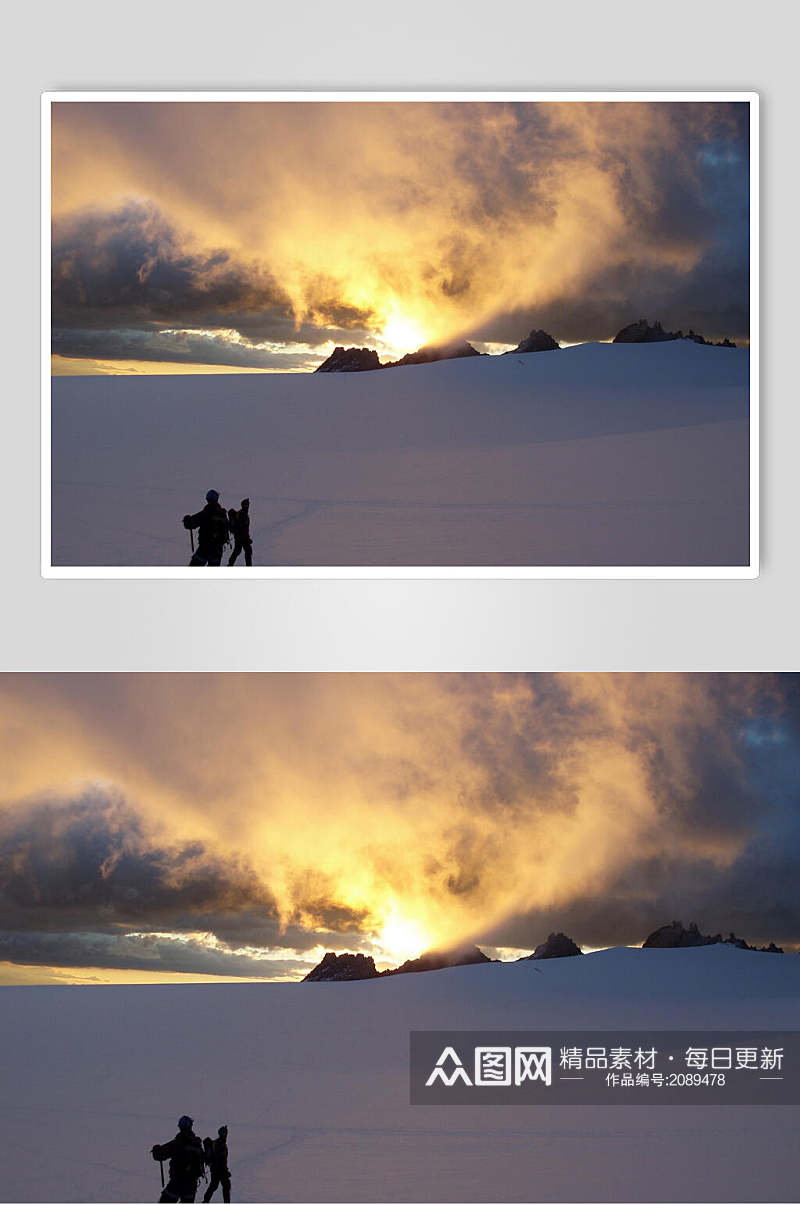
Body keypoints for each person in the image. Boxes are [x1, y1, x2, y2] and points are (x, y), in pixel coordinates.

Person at [152, 1115, 206, 1203]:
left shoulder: (178, 1143)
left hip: (177, 1183)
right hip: (191, 1185)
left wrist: (156, 1149)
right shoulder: (197, 1143)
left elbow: (159, 1155)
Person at [183, 491, 229, 567]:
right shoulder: (222, 514)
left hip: (205, 548)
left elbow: (190, 524)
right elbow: (227, 528)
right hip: (218, 549)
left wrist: (187, 519)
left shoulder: (206, 512)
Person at [202, 1125, 231, 1203]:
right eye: (224, 1133)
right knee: (225, 1186)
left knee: (214, 1186)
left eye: (226, 1133)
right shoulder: (220, 1144)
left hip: (216, 1170)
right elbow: (220, 1160)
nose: (225, 1134)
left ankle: (205, 1200)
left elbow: (222, 1159)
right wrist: (225, 1170)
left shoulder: (220, 1143)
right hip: (219, 1170)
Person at [227, 498, 253, 567]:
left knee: (239, 551)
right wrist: (247, 538)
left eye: (248, 504)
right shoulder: (242, 514)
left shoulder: (242, 514)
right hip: (242, 537)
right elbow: (242, 528)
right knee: (246, 551)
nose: (247, 506)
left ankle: (230, 564)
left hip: (240, 537)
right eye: (246, 505)